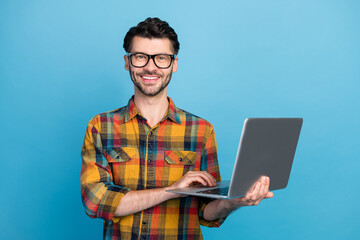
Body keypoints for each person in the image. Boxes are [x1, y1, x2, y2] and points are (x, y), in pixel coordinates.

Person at [80, 17, 274, 240]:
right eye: (140, 57)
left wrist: (232, 202)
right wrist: (171, 190)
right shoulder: (101, 127)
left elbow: (206, 211)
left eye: (161, 58)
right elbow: (94, 202)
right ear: (127, 62)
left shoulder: (201, 130)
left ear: (174, 64)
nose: (150, 67)